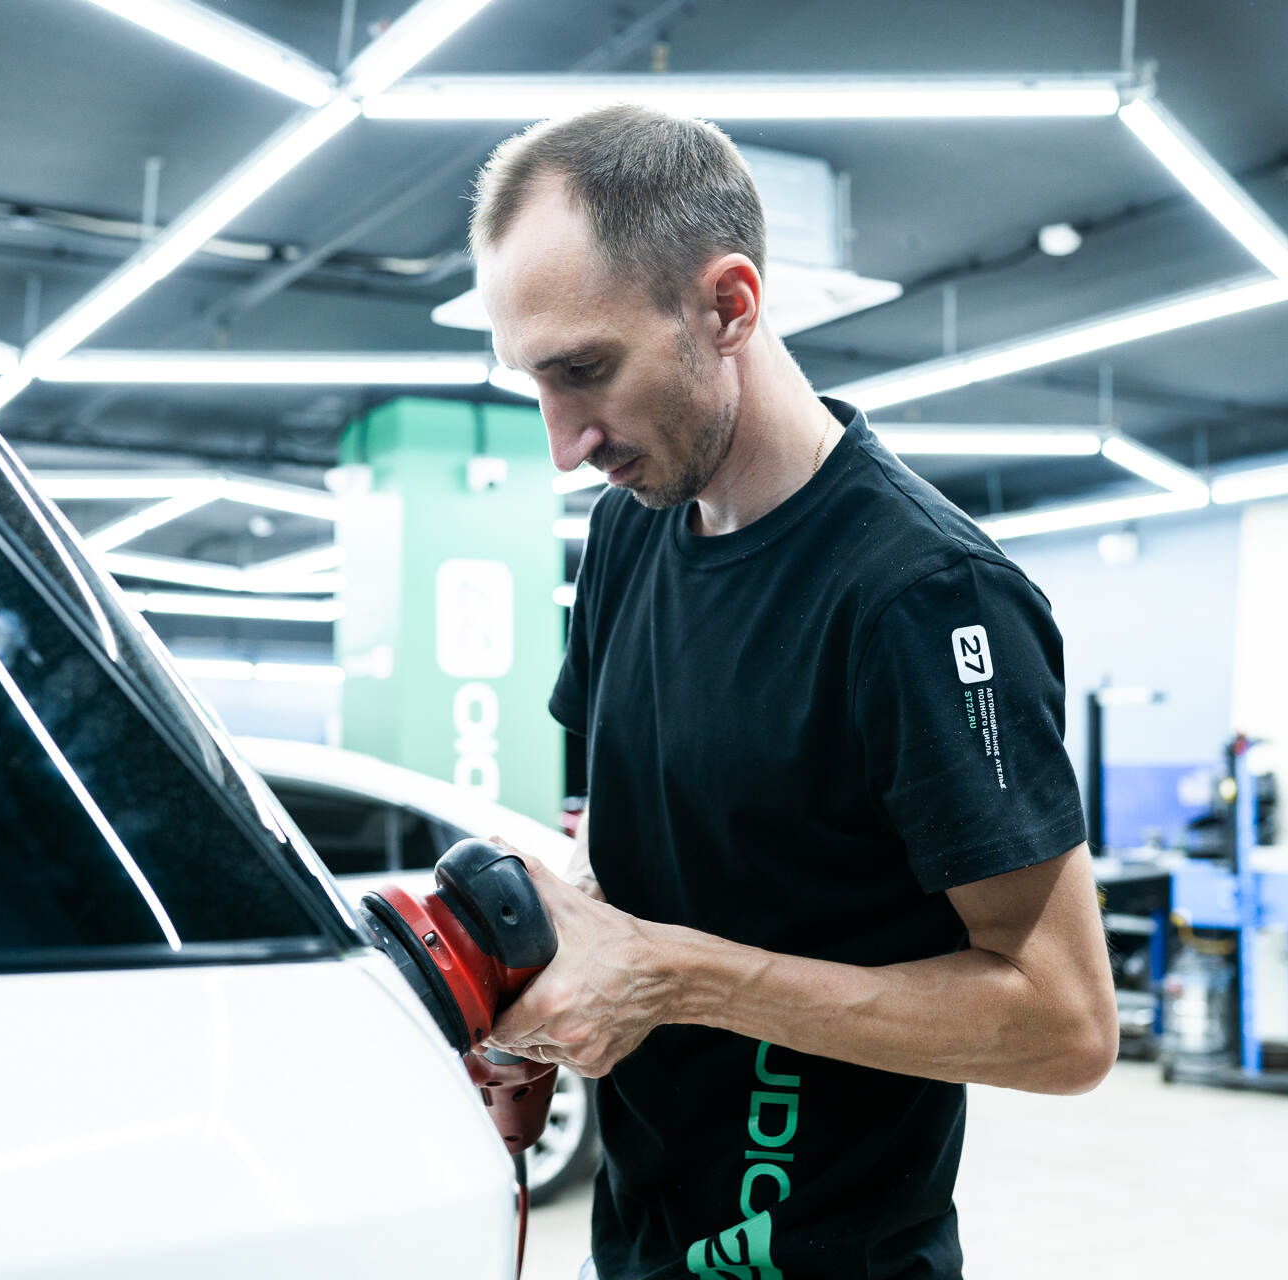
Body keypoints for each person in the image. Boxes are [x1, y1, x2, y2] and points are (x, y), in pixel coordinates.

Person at [472, 105, 1118, 1280]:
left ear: (729, 306)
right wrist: (561, 975)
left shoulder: (925, 597)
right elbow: (625, 843)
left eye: (586, 370)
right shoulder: (627, 535)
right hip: (636, 1247)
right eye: (537, 384)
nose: (564, 444)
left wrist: (680, 979)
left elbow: (1066, 1020)